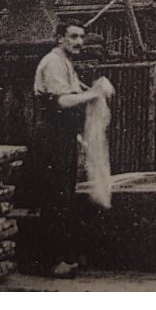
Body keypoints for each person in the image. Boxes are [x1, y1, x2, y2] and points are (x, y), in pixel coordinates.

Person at [32, 22, 111, 278]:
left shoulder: (66, 62)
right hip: (51, 134)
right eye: (73, 37)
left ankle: (61, 256)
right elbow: (62, 100)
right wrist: (94, 95)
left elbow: (75, 90)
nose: (79, 42)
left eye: (81, 37)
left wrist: (96, 89)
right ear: (59, 39)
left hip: (63, 135)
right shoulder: (53, 62)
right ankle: (50, 261)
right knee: (54, 196)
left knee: (64, 194)